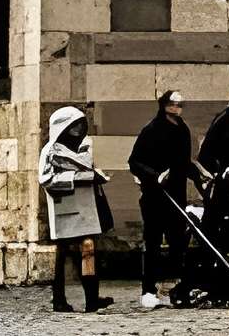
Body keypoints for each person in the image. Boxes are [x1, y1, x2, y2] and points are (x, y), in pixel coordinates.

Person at [127, 88, 198, 307]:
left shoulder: (183, 129)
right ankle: (148, 289)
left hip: (176, 195)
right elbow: (134, 161)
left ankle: (178, 287)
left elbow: (184, 163)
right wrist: (155, 177)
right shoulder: (152, 129)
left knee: (178, 242)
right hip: (154, 196)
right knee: (154, 243)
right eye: (174, 104)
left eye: (180, 104)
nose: (178, 108)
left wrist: (199, 177)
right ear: (165, 105)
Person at [37, 105, 110, 313]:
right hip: (65, 207)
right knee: (62, 255)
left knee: (89, 252)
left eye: (80, 125)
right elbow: (46, 179)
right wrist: (79, 178)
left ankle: (92, 298)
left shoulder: (85, 146)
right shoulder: (50, 150)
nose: (78, 130)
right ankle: (59, 299)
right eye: (73, 126)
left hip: (86, 207)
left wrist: (96, 176)